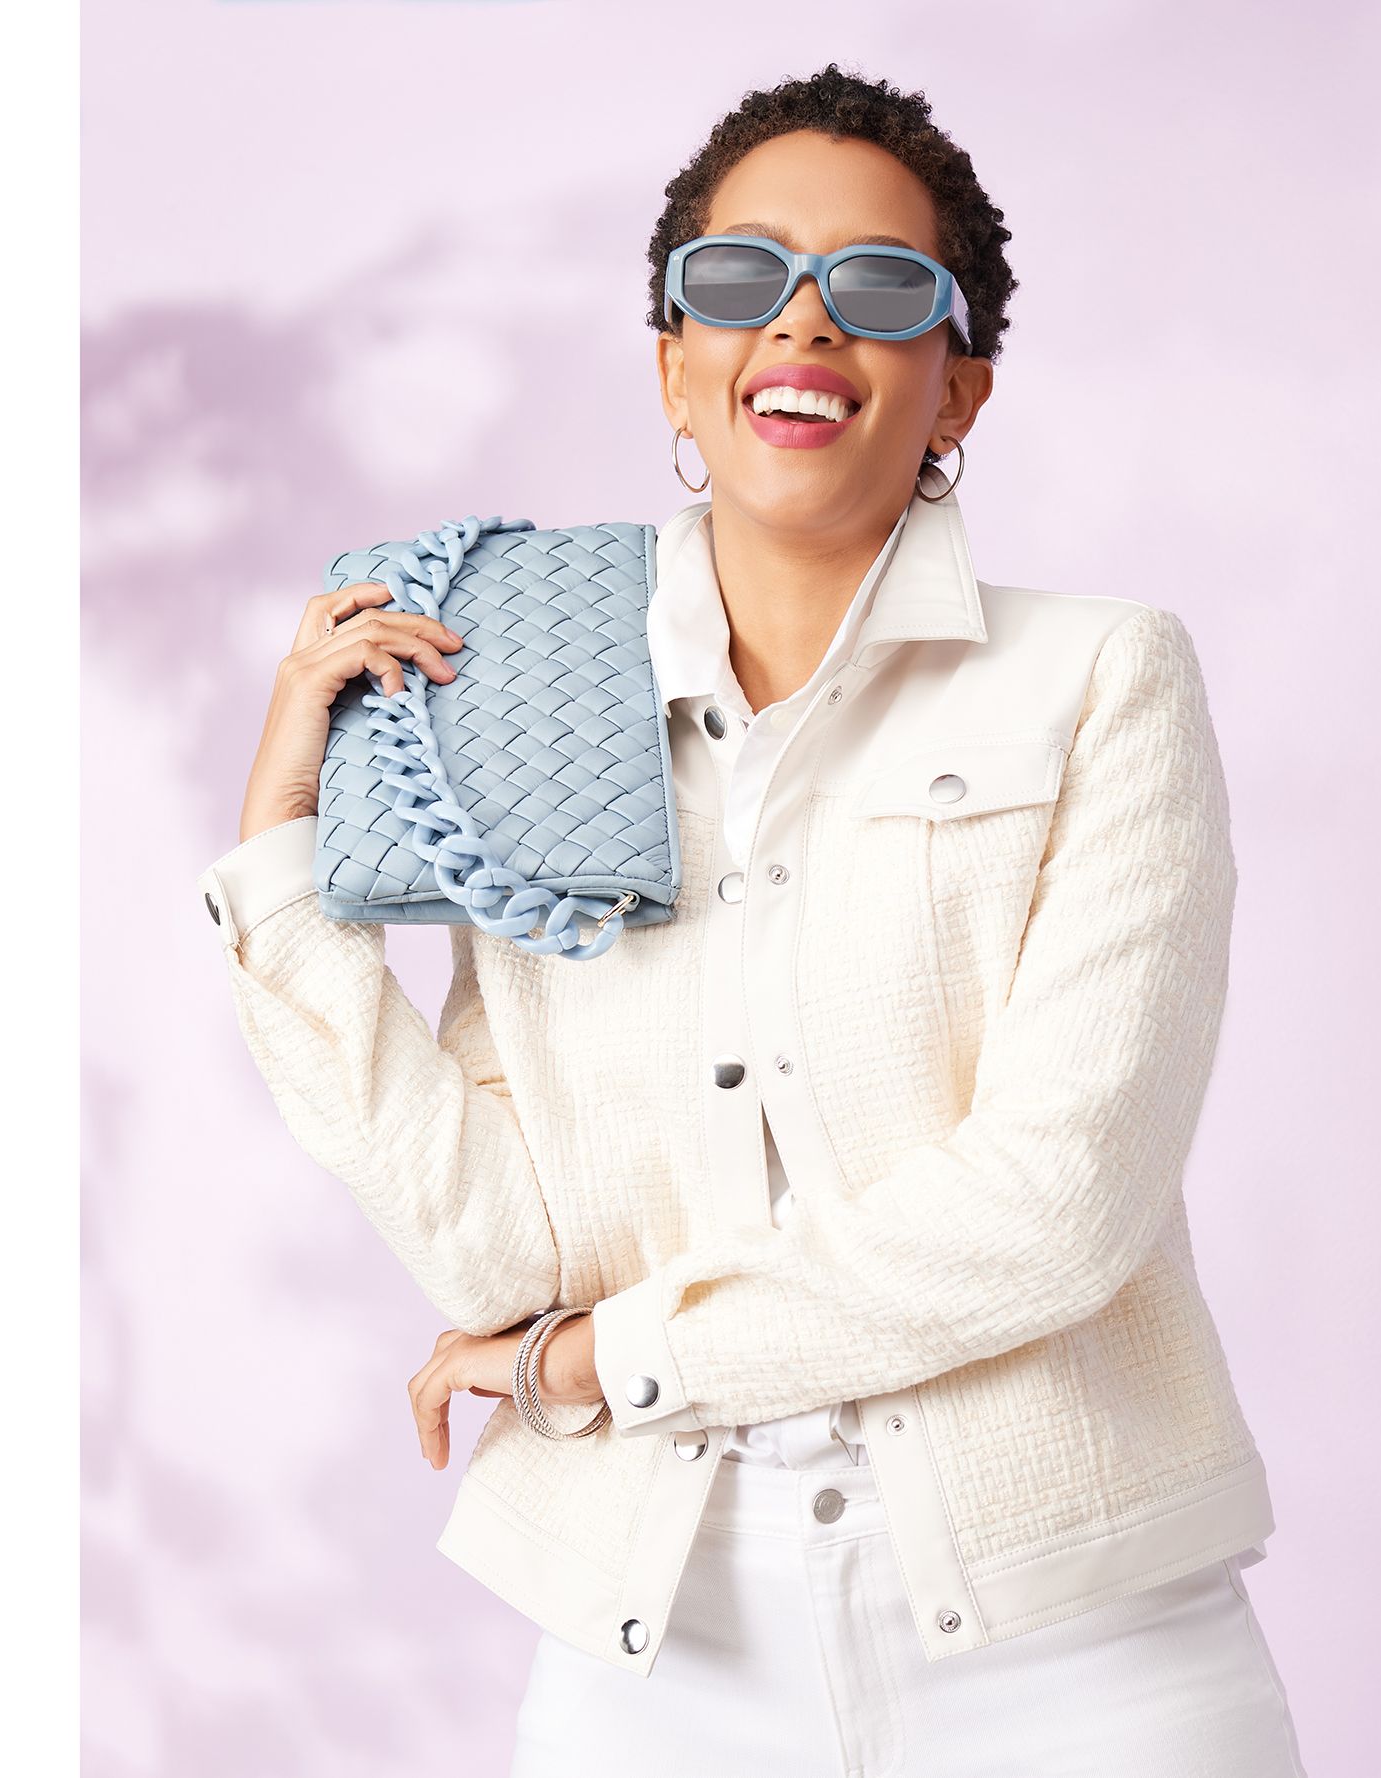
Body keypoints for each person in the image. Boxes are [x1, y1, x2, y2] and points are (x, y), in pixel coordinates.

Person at [196, 61, 1307, 1778]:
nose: (803, 320)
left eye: (879, 287)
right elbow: (497, 1252)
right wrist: (283, 841)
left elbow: (1059, 1203)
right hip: (661, 1645)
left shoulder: (1102, 679)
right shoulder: (528, 735)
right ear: (674, 365)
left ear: (958, 388)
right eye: (739, 278)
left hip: (1077, 1641)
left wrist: (605, 1357)